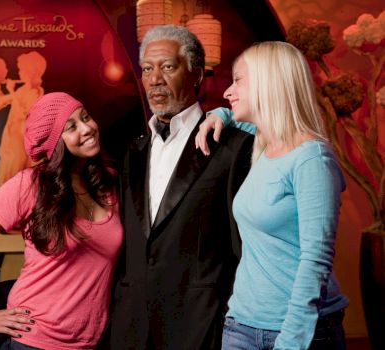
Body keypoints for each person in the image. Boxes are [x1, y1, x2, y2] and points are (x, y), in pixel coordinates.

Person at [195, 41, 349, 349]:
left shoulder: (311, 159)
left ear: (269, 83)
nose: (227, 90)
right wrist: (221, 115)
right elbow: (247, 119)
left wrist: (291, 341)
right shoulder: (266, 142)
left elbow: (316, 259)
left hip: (300, 331)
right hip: (241, 324)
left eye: (238, 80)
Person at [108, 25, 253, 349]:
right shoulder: (132, 152)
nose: (155, 79)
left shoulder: (233, 147)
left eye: (168, 67)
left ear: (197, 74)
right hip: (131, 328)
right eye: (147, 68)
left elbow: (243, 248)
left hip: (199, 327)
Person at [0, 92, 123, 349]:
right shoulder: (31, 184)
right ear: (54, 144)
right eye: (71, 127)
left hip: (93, 342)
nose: (87, 128)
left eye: (85, 117)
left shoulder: (109, 182)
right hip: (35, 340)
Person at [0, 51, 47, 188]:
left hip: (20, 144)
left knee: (13, 180)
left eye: (21, 70)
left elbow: (26, 115)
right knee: (3, 179)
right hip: (11, 141)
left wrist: (12, 92)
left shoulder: (36, 92)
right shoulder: (22, 90)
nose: (19, 73)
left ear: (30, 71)